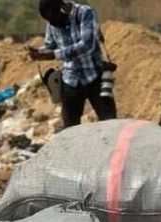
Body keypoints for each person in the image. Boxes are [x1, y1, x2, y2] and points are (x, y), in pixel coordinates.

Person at [30, 0, 117, 129]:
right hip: (70, 81)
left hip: (95, 77)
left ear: (63, 8)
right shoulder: (52, 20)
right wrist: (38, 52)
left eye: (54, 18)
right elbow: (51, 45)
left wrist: (53, 55)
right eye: (49, 21)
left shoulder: (84, 13)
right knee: (69, 130)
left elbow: (87, 45)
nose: (53, 23)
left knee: (111, 124)